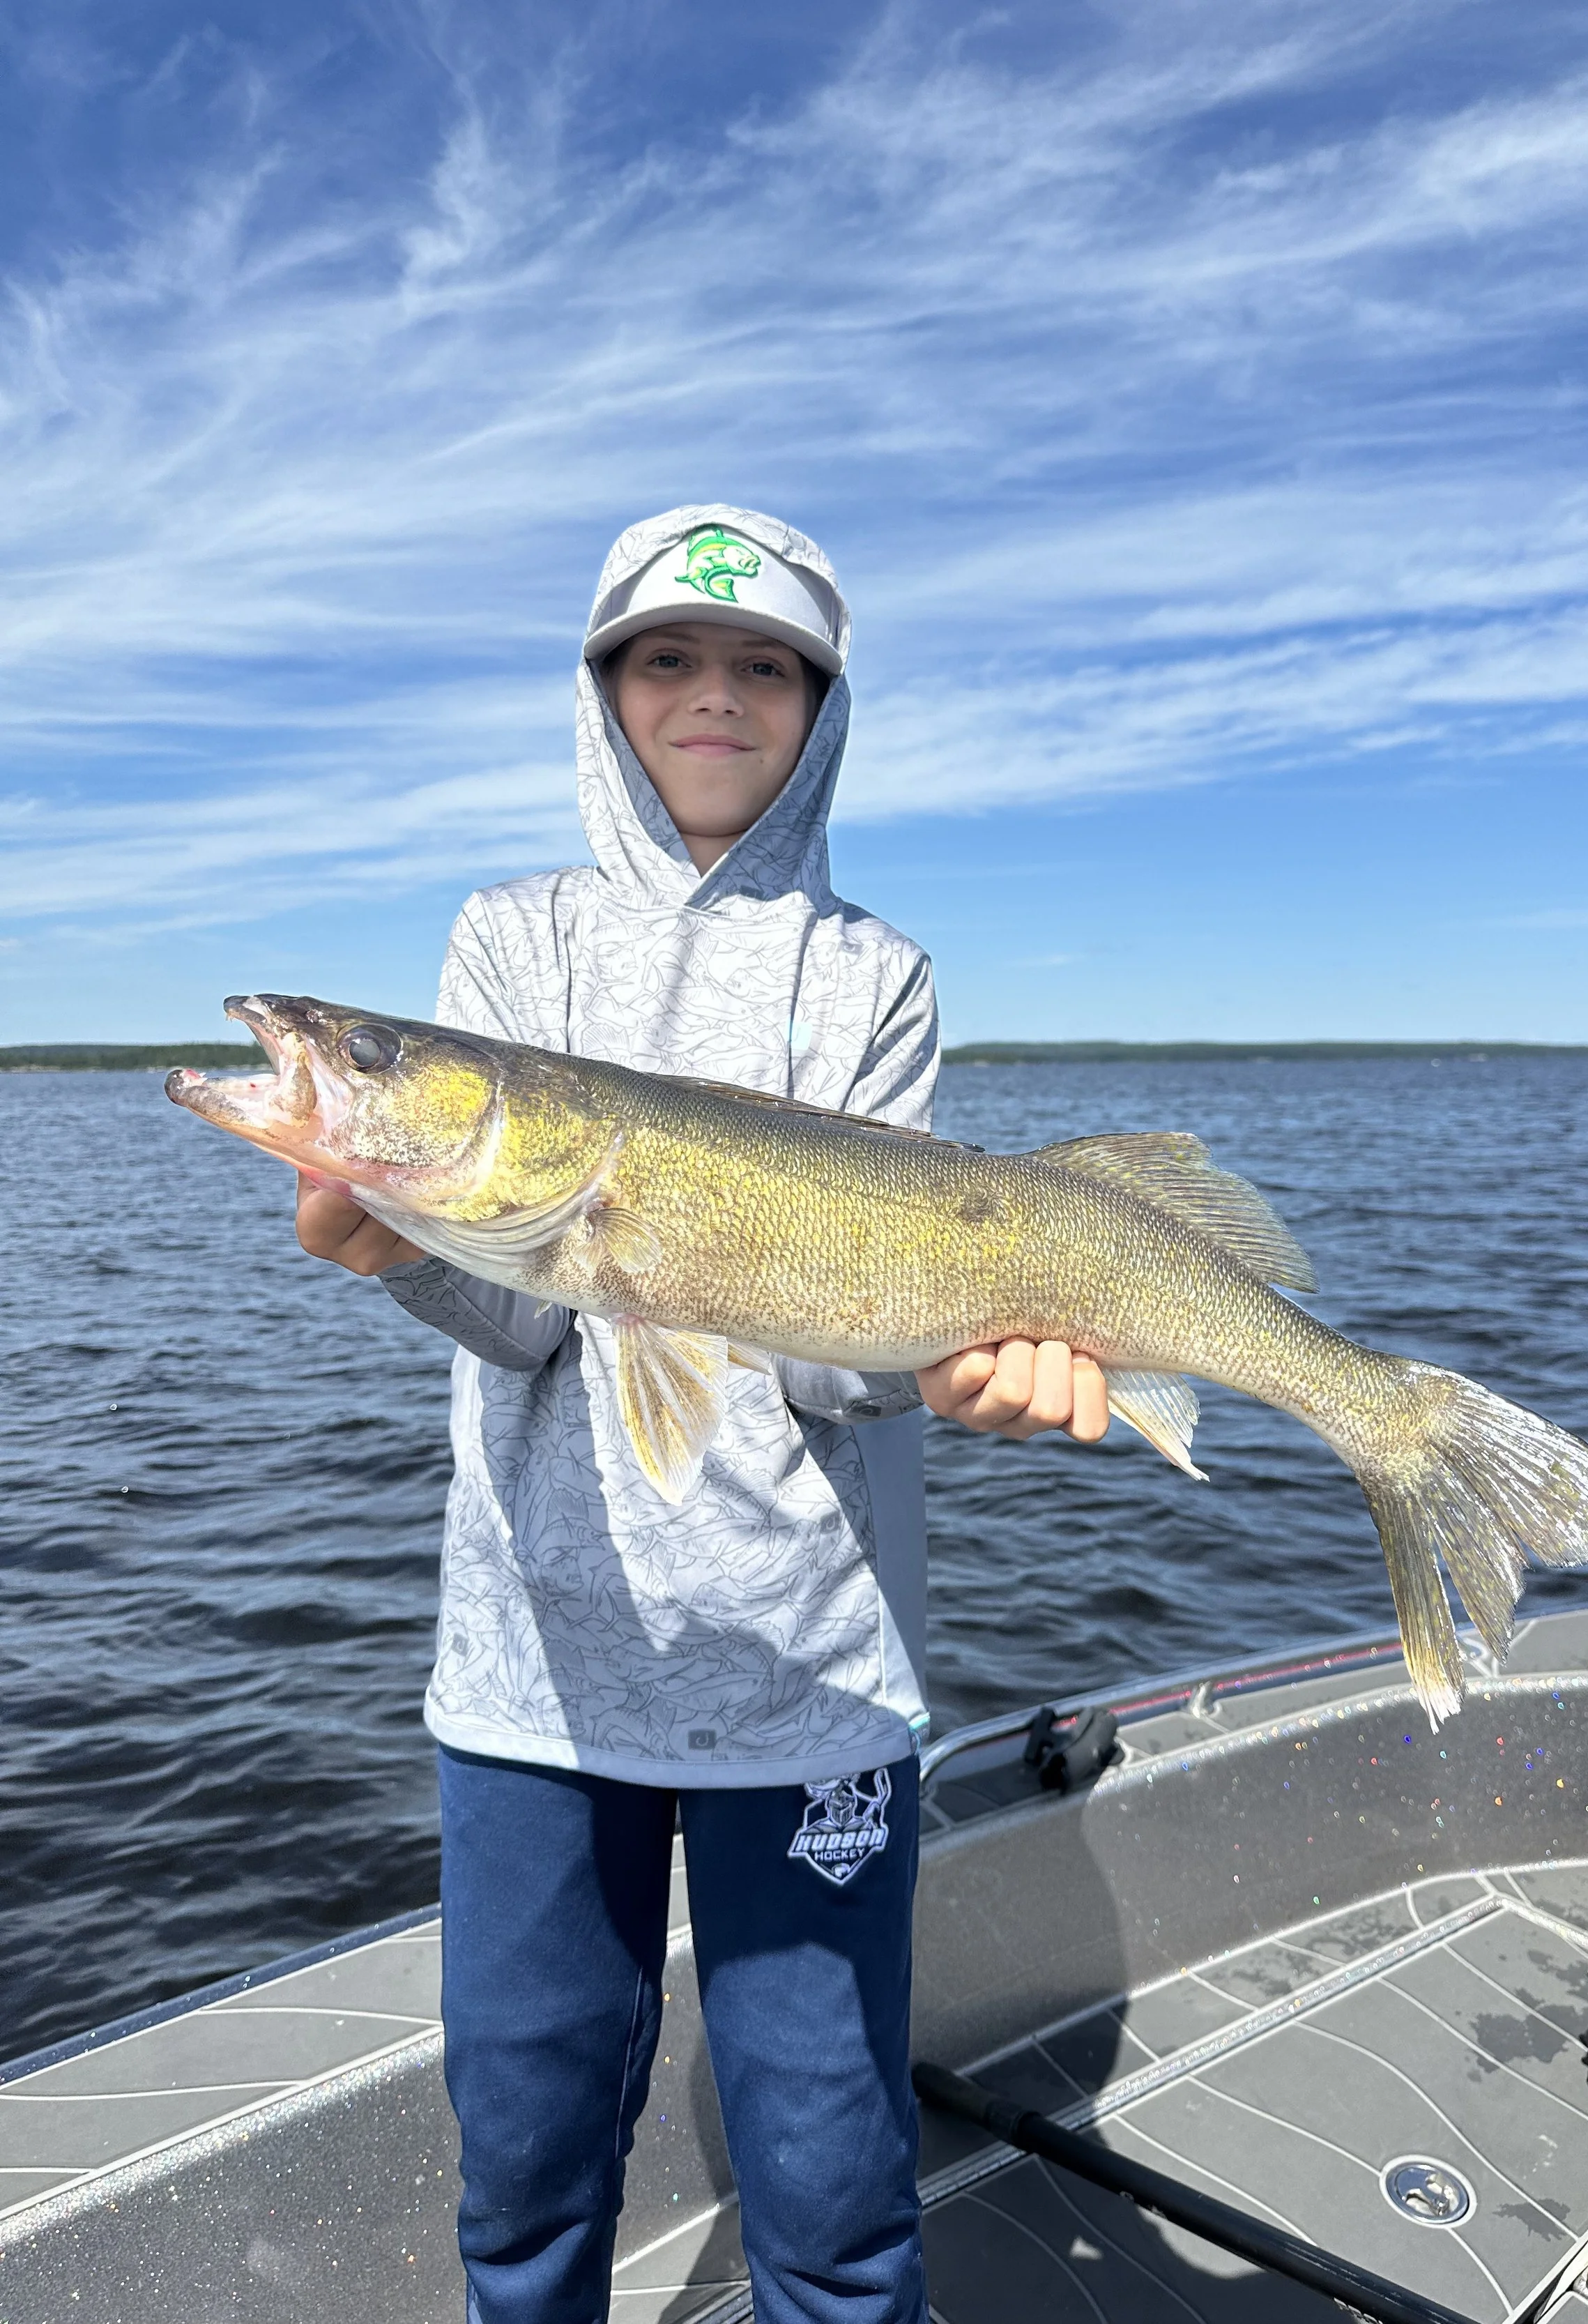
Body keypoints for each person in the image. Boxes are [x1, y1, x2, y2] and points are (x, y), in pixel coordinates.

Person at [295, 506, 1108, 2324]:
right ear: (602, 693)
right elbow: (517, 1318)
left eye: (764, 664)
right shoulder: (507, 937)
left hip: (808, 1668)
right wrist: (399, 1251)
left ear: (821, 707)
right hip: (532, 1670)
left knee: (827, 2185)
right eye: (666, 656)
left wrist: (949, 1356)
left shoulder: (875, 972)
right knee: (520, 2153)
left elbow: (836, 1348)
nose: (713, 694)